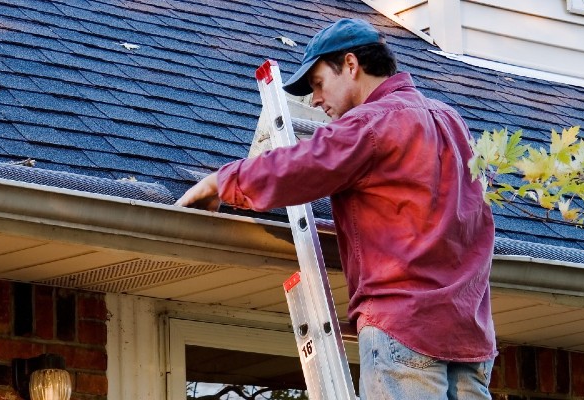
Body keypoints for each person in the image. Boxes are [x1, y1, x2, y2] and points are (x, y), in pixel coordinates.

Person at [175, 18, 497, 400]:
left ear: (350, 65)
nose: (314, 100)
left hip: (404, 329)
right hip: (469, 335)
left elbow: (303, 166)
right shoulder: (452, 122)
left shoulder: (372, 122)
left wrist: (221, 181)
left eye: (317, 83)